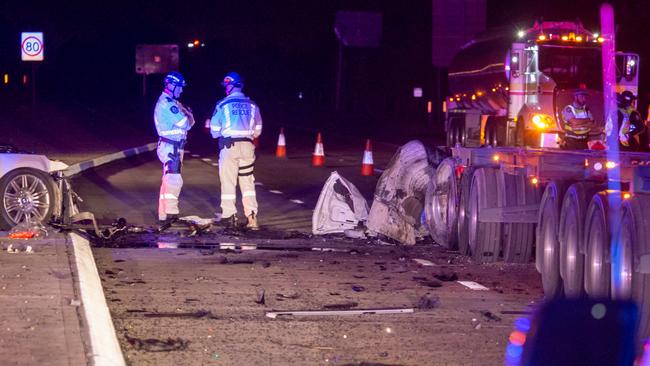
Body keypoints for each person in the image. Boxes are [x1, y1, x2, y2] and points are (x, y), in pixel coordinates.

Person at [210, 72, 263, 229]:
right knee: (247, 183)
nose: (225, 88)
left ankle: (229, 216)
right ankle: (252, 217)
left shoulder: (222, 105)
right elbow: (258, 130)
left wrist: (222, 132)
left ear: (230, 85)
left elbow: (214, 130)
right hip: (248, 147)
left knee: (228, 182)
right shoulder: (253, 105)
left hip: (229, 147)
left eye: (226, 85)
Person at [154, 71, 195, 225]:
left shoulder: (171, 102)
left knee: (168, 179)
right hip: (171, 146)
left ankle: (163, 214)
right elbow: (186, 123)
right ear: (171, 85)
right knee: (174, 179)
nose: (181, 90)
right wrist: (187, 114)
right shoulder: (169, 104)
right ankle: (171, 213)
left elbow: (191, 122)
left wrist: (188, 116)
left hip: (172, 145)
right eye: (179, 87)